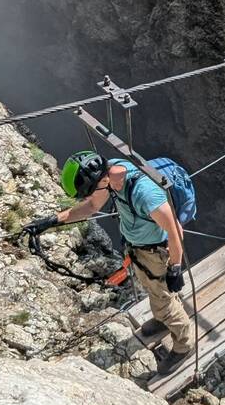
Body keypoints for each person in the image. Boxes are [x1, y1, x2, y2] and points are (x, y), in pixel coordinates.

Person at [23, 151, 194, 375]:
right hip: (139, 249)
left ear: (102, 180)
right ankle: (163, 319)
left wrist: (175, 268)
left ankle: (183, 345)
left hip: (156, 253)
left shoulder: (145, 194)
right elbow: (90, 207)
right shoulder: (111, 174)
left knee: (163, 298)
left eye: (92, 190)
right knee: (155, 292)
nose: (92, 196)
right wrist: (52, 221)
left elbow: (175, 231)